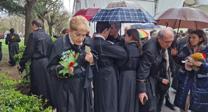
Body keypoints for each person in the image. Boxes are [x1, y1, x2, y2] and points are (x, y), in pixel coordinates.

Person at [48, 16, 94, 112]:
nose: (81, 39)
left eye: (84, 35)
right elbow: (50, 68)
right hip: (67, 89)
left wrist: (92, 60)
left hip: (84, 88)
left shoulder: (87, 42)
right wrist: (63, 69)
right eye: (78, 35)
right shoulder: (59, 44)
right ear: (70, 31)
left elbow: (94, 58)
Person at [137, 27, 174, 112]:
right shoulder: (150, 49)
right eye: (167, 42)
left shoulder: (162, 45)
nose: (169, 44)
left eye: (171, 41)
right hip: (147, 80)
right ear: (159, 39)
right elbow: (143, 70)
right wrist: (142, 90)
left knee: (155, 105)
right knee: (149, 106)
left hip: (155, 78)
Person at [92, 22, 127, 112]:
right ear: (105, 30)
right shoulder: (103, 44)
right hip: (107, 76)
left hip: (97, 74)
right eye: (109, 29)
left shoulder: (92, 41)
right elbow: (123, 54)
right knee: (109, 101)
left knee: (99, 100)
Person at [18, 19, 52, 102]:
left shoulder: (33, 35)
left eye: (31, 26)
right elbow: (51, 49)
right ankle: (47, 101)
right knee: (45, 83)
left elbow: (28, 52)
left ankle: (37, 102)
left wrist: (21, 64)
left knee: (36, 83)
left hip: (37, 63)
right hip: (46, 62)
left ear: (34, 25)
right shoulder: (47, 35)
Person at [174, 29, 208, 112]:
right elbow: (180, 60)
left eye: (194, 37)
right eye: (190, 37)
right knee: (182, 106)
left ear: (201, 39)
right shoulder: (186, 48)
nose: (190, 39)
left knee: (196, 107)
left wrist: (200, 64)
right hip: (185, 81)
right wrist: (175, 56)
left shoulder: (206, 50)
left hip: (200, 84)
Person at [118, 29, 141, 112]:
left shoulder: (125, 48)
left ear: (130, 36)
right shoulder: (139, 48)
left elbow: (120, 63)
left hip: (125, 75)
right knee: (132, 99)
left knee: (123, 98)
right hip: (135, 75)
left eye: (125, 35)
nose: (124, 37)